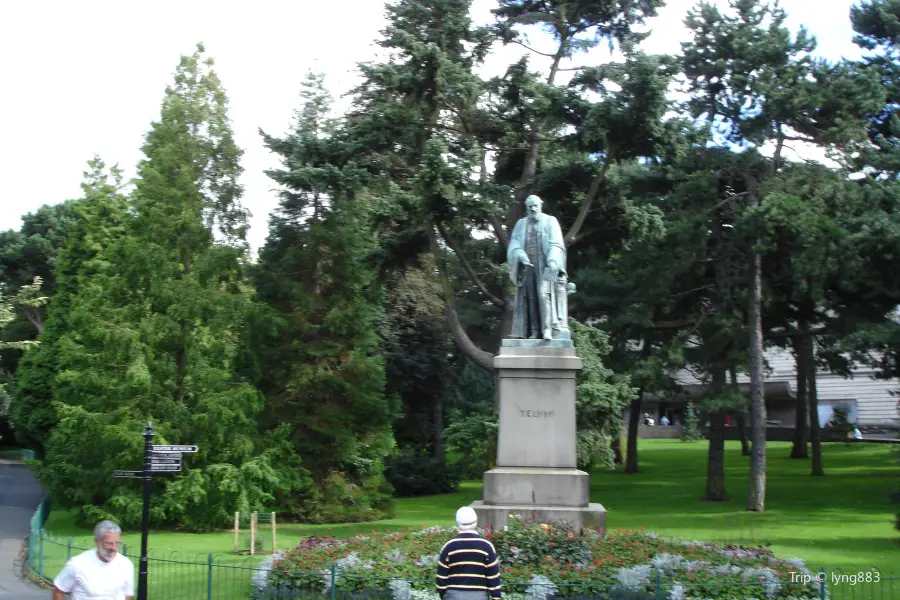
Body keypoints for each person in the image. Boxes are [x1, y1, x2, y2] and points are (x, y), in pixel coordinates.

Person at [506, 195, 571, 340]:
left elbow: (557, 244)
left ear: (541, 205)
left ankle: (547, 329)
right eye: (530, 206)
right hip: (528, 265)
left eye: (535, 205)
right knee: (530, 297)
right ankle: (534, 331)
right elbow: (514, 245)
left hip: (546, 264)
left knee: (544, 294)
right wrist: (520, 255)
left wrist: (553, 260)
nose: (533, 209)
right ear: (526, 207)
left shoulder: (550, 221)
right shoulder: (520, 224)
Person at [53, 519, 134, 600]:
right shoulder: (77, 564)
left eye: (117, 543)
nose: (113, 548)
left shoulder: (126, 564)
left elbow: (128, 594)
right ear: (96, 541)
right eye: (108, 543)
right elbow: (59, 590)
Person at [436, 507, 501, 600]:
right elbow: (493, 575)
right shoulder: (486, 546)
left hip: (454, 594)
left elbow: (441, 576)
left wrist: (444, 595)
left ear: (458, 523)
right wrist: (496, 596)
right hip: (480, 595)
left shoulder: (449, 546)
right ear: (476, 521)